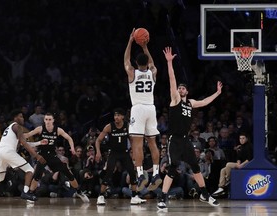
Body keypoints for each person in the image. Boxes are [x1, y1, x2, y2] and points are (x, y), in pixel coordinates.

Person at [157, 47, 222, 210]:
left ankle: (205, 194)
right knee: (173, 168)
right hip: (174, 139)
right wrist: (169, 62)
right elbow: (172, 80)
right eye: (179, 88)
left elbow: (205, 102)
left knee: (196, 167)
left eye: (183, 88)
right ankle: (163, 198)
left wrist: (217, 93)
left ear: (187, 91)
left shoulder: (190, 102)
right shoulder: (175, 99)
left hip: (185, 140)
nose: (180, 89)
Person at [124, 28, 161, 192]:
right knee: (152, 143)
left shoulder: (132, 72)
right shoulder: (153, 72)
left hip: (138, 109)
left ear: (137, 63)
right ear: (147, 63)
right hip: (151, 108)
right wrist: (145, 46)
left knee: (137, 144)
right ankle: (157, 173)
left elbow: (126, 61)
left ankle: (140, 174)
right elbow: (152, 63)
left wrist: (131, 41)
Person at [23, 112, 89, 203]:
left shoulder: (58, 130)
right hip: (42, 155)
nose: (48, 121)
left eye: (50, 119)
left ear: (53, 120)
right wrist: (18, 134)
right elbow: (27, 135)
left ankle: (79, 191)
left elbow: (69, 138)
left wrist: (72, 148)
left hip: (53, 156)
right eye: (46, 119)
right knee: (37, 176)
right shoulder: (40, 129)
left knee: (67, 172)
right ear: (44, 120)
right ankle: (30, 194)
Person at [0, 109, 46, 201]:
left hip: (0, 151)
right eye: (21, 116)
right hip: (8, 151)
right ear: (15, 118)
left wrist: (39, 143)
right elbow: (24, 142)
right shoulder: (17, 126)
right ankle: (25, 193)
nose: (23, 118)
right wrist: (37, 156)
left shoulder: (10, 128)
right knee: (30, 170)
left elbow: (23, 143)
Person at [95, 108, 146, 205]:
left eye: (118, 115)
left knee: (131, 171)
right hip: (114, 153)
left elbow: (132, 140)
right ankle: (100, 196)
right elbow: (98, 140)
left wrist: (134, 152)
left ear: (122, 117)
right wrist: (98, 152)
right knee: (109, 172)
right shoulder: (109, 126)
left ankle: (134, 196)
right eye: (115, 115)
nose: (116, 117)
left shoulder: (127, 126)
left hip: (125, 153)